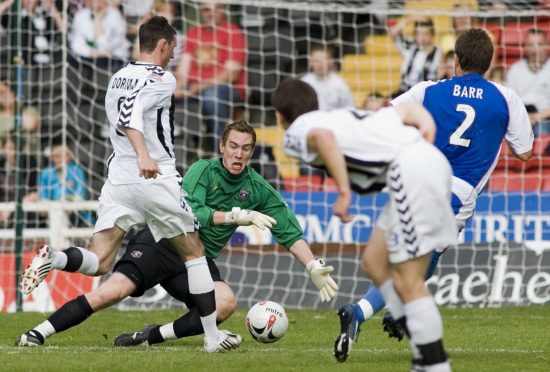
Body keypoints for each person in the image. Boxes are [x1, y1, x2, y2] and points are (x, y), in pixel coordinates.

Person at [18, 16, 240, 353]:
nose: (172, 56)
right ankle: (211, 337)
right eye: (172, 49)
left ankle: (57, 257)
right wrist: (144, 155)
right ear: (163, 45)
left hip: (118, 180)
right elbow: (130, 115)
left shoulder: (118, 76)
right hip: (153, 176)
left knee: (101, 261)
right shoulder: (163, 78)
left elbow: (123, 113)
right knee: (194, 252)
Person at [15, 120, 338, 348]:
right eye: (234, 147)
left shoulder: (257, 187)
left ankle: (150, 336)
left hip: (196, 261)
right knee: (109, 293)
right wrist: (235, 216)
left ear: (252, 153)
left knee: (224, 304)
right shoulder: (202, 170)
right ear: (222, 147)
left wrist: (312, 265)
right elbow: (190, 212)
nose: (239, 154)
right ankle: (38, 333)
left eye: (246, 149)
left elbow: (287, 228)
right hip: (162, 243)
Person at [333, 28, 534, 363]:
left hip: (415, 179)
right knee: (422, 264)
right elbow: (525, 153)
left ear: (456, 59)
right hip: (457, 192)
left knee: (410, 258)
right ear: (490, 61)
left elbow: (389, 115)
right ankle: (367, 311)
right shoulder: (505, 98)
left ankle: (382, 310)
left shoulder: (428, 89)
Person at [273, 78, 456, 371]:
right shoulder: (345, 115)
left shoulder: (297, 131)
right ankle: (427, 358)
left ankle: (434, 364)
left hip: (412, 173)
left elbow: (323, 138)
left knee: (407, 280)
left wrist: (344, 192)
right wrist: (427, 126)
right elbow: (406, 109)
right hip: (418, 170)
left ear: (279, 116)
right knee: (374, 263)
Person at [174, 1, 246, 154]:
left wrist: (199, 87)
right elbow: (184, 68)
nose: (211, 13)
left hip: (224, 88)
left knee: (211, 97)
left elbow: (230, 74)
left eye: (217, 8)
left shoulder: (233, 32)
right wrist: (178, 88)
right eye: (207, 9)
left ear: (224, 10)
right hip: (194, 88)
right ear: (201, 11)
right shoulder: (194, 32)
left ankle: (219, 150)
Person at [24, 138, 93, 226]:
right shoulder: (45, 173)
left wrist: (64, 201)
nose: (59, 160)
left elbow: (80, 197)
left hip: (76, 214)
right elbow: (43, 197)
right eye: (56, 156)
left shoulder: (77, 171)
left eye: (62, 156)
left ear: (70, 155)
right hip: (52, 213)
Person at [506, 28, 550, 136]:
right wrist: (524, 118)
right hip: (520, 118)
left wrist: (536, 117)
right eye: (531, 45)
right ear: (525, 47)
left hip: (544, 119)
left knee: (540, 130)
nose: (535, 50)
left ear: (547, 46)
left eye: (539, 44)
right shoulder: (515, 70)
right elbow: (509, 102)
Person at [389, 16, 441, 96]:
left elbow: (441, 75)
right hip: (405, 92)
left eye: (426, 34)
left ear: (432, 35)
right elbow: (393, 33)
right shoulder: (410, 47)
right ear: (415, 35)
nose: (422, 38)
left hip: (426, 94)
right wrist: (413, 19)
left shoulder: (438, 52)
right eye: (419, 34)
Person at [300, 44, 354, 111]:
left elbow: (349, 108)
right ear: (310, 62)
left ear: (331, 61)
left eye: (323, 60)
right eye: (316, 60)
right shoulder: (304, 83)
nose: (320, 64)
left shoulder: (340, 84)